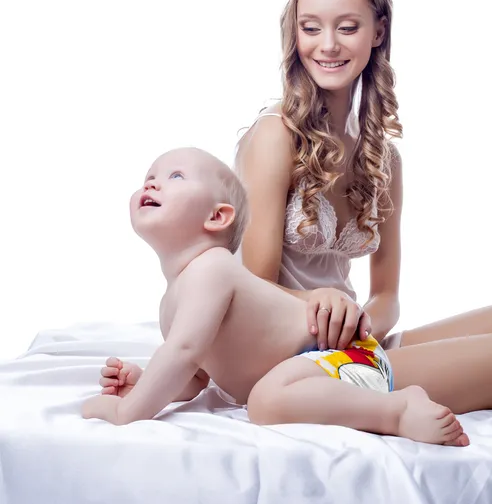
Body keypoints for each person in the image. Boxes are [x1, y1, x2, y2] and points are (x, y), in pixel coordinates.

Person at [235, 0, 492, 414]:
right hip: (286, 360)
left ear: (378, 32)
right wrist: (320, 301)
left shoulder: (383, 158)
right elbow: (253, 283)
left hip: (350, 342)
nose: (327, 45)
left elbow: (387, 294)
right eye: (311, 28)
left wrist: (364, 321)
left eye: (347, 27)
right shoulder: (277, 134)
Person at [81, 147, 468, 447]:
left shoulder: (213, 267)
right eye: (149, 176)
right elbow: (195, 375)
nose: (152, 183)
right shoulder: (173, 301)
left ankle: (398, 411)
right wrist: (147, 380)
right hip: (312, 372)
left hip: (342, 356)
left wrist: (126, 412)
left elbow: (182, 353)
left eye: (175, 176)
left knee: (264, 403)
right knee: (268, 397)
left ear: (218, 217)